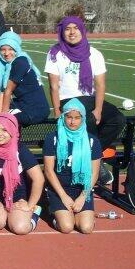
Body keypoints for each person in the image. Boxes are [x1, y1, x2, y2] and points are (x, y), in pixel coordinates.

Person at [44, 16, 125, 156]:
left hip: (89, 98)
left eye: (75, 28)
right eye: (67, 29)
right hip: (67, 100)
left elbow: (100, 85)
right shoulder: (55, 53)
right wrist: (57, 111)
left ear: (82, 30)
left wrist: (98, 110)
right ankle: (92, 160)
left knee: (118, 119)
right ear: (62, 32)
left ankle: (92, 154)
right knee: (88, 121)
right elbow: (54, 86)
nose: (72, 32)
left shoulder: (94, 54)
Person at [42, 99, 101, 234]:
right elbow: (49, 170)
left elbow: (94, 173)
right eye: (69, 117)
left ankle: (87, 217)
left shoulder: (92, 141)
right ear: (63, 117)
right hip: (59, 189)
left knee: (86, 228)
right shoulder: (53, 138)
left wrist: (82, 196)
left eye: (77, 118)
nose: (72, 121)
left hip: (82, 189)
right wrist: (63, 196)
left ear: (83, 119)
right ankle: (53, 213)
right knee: (67, 227)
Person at [0, 31, 50, 126]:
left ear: (16, 48)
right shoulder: (2, 65)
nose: (6, 53)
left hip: (35, 111)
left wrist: (2, 119)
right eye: (2, 49)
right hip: (25, 105)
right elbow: (2, 92)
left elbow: (7, 91)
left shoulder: (20, 62)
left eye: (10, 49)